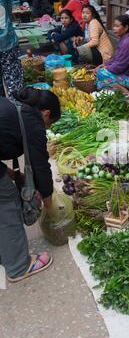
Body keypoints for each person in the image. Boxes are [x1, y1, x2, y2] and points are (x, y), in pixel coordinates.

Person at [0, 87, 61, 282]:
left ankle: (5, 251)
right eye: (49, 124)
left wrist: (7, 172)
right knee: (7, 202)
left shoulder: (15, 108)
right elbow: (40, 166)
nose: (46, 128)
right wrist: (50, 205)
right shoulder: (33, 123)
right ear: (46, 114)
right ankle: (19, 266)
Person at [95, 15, 129, 98]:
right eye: (114, 26)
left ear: (126, 28)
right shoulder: (124, 39)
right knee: (98, 81)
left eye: (117, 26)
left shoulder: (127, 42)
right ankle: (115, 86)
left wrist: (105, 68)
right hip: (127, 73)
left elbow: (119, 66)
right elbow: (116, 58)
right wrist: (105, 64)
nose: (114, 28)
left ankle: (126, 92)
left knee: (100, 73)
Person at [0, 0, 23, 98]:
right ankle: (17, 111)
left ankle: (4, 113)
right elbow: (8, 7)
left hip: (6, 39)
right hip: (6, 41)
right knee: (13, 79)